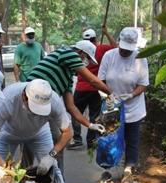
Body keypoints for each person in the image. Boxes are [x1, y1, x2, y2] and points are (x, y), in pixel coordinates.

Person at [27, 40, 110, 176]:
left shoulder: (68, 78)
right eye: (87, 58)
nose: (87, 63)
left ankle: (58, 181)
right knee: (30, 141)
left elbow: (71, 107)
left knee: (60, 139)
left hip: (46, 104)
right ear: (81, 53)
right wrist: (111, 94)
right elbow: (92, 80)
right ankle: (29, 179)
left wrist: (90, 125)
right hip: (30, 99)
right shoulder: (67, 53)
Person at [98, 27, 149, 176]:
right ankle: (107, 168)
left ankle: (128, 167)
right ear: (119, 42)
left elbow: (143, 84)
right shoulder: (109, 56)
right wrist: (108, 98)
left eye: (128, 50)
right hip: (111, 105)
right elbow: (100, 80)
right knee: (109, 138)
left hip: (133, 108)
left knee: (131, 140)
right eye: (123, 48)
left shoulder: (140, 58)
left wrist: (132, 94)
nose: (124, 52)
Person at [70, 26, 117, 149]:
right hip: (96, 88)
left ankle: (77, 138)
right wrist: (107, 33)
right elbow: (115, 47)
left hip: (82, 88)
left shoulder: (84, 51)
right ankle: (91, 141)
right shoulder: (101, 49)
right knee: (94, 115)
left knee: (76, 113)